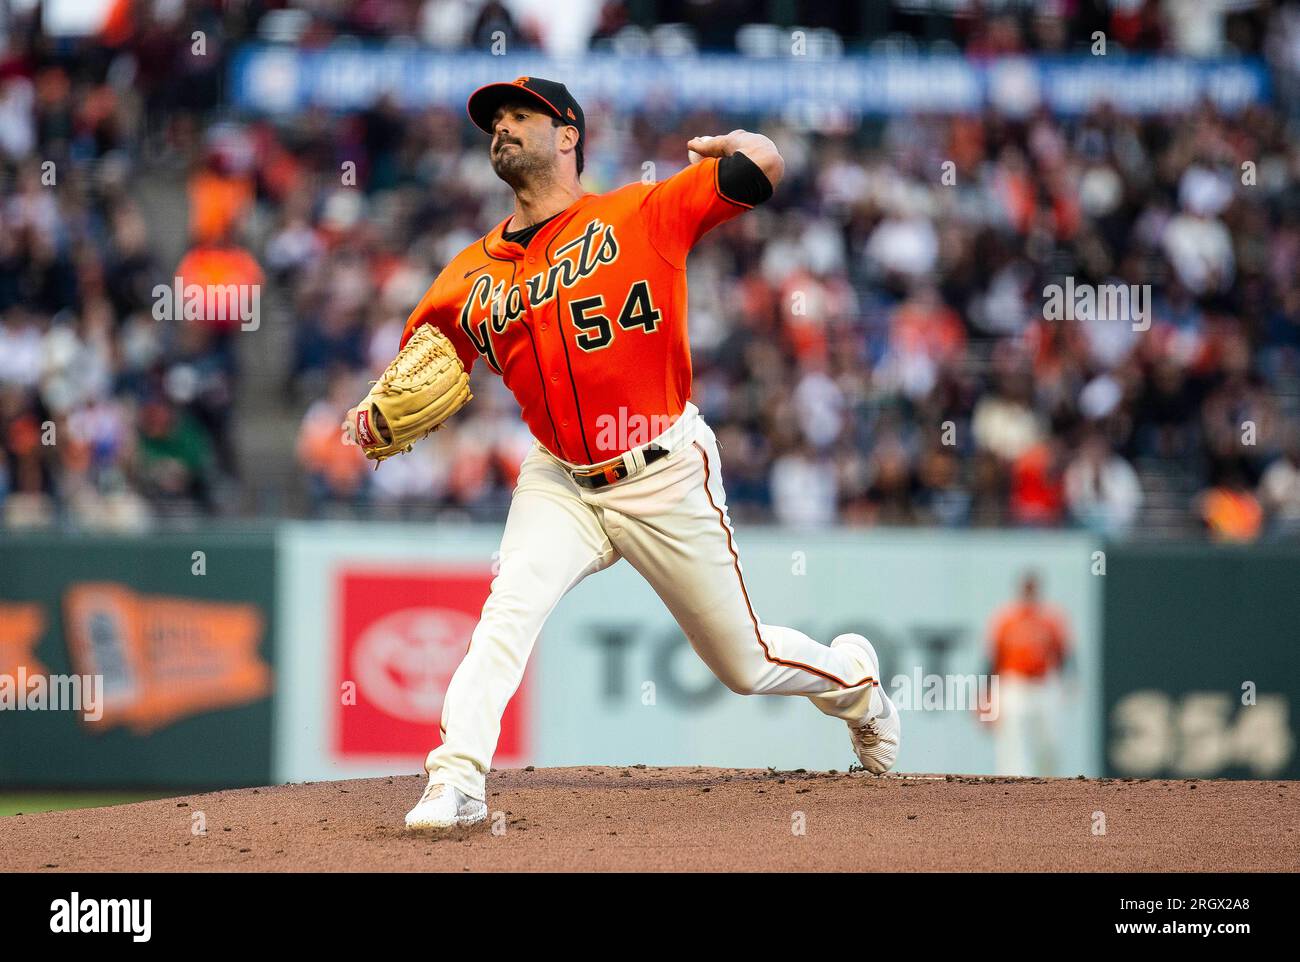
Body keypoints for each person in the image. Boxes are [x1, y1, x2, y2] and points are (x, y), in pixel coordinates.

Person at [346, 77, 900, 829]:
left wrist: (734, 145)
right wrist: (371, 420)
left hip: (664, 469)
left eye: (519, 116)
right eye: (495, 121)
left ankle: (857, 680)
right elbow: (420, 364)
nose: (501, 128)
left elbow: (765, 166)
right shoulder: (465, 276)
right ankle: (457, 781)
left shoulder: (643, 212)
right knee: (507, 612)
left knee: (742, 663)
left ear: (568, 135)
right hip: (560, 479)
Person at [985, 571, 1072, 776]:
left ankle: (1049, 788)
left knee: (1049, 743)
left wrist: (1064, 683)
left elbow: (1063, 654)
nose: (1029, 591)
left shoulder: (1050, 619)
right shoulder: (1006, 619)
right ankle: (1011, 789)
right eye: (1026, 587)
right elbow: (992, 659)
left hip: (1042, 685)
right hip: (1013, 684)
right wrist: (987, 694)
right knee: (1010, 740)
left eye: (1032, 587)